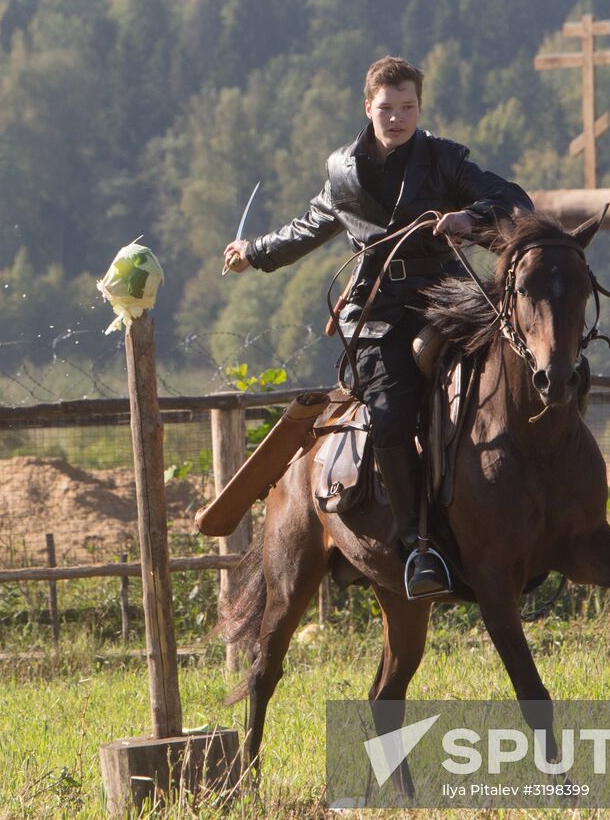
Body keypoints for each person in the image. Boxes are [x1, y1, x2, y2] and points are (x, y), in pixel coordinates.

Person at [222, 55, 533, 599]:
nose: (397, 117)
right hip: (378, 313)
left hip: (447, 301)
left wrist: (469, 218)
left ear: (419, 107)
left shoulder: (444, 160)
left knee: (521, 368)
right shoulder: (342, 172)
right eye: (387, 108)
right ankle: (417, 548)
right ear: (368, 108)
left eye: (408, 107)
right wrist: (254, 252)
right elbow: (309, 226)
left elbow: (513, 200)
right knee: (389, 417)